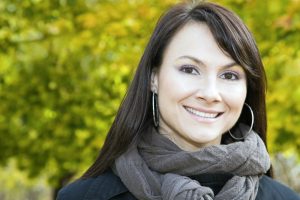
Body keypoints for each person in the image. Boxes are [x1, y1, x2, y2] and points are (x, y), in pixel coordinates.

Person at [57, 1, 300, 200]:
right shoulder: (83, 196)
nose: (210, 93)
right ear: (154, 78)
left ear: (248, 89)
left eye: (229, 75)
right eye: (190, 69)